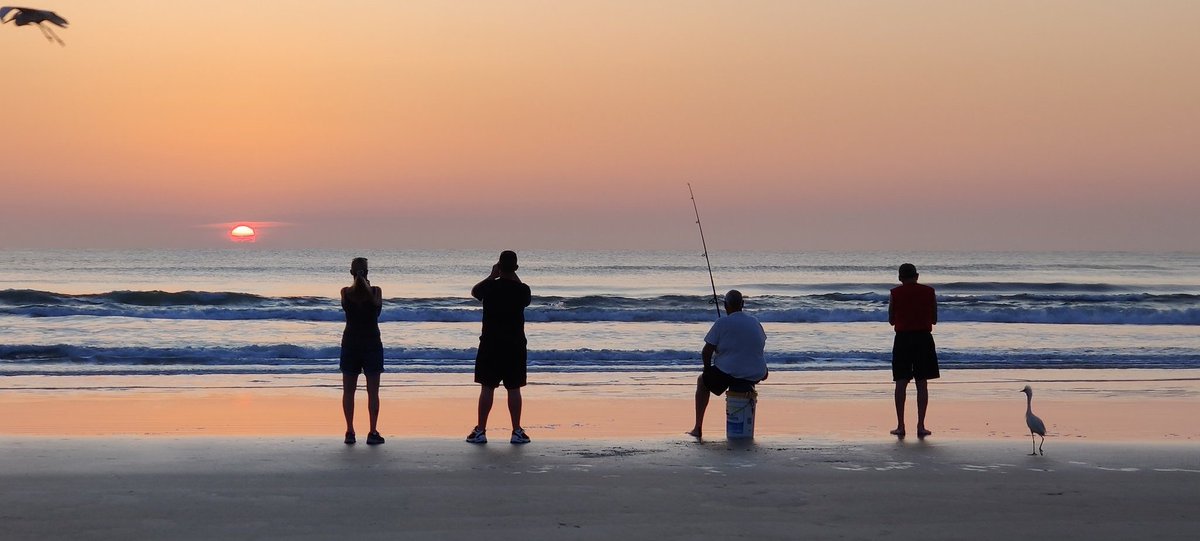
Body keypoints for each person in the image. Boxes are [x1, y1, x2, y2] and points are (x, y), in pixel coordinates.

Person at [466, 250, 533, 444]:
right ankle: (516, 431)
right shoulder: (522, 290)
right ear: (516, 268)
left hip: (490, 344)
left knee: (487, 387)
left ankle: (481, 430)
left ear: (498, 266)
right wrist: (512, 275)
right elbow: (526, 298)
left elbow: (474, 292)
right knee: (514, 388)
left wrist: (491, 275)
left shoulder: (489, 287)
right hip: (515, 345)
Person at [687, 290, 768, 440]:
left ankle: (697, 427)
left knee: (702, 381)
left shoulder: (721, 323)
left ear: (725, 306)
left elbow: (706, 352)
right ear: (742, 304)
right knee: (743, 373)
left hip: (731, 373)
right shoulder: (755, 322)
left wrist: (707, 371)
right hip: (756, 372)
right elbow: (759, 345)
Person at [888, 263, 939, 439]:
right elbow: (934, 319)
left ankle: (901, 426)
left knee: (901, 382)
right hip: (923, 339)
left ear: (900, 278)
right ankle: (921, 426)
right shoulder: (929, 292)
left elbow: (891, 320)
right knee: (922, 383)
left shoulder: (895, 293)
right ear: (917, 276)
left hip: (902, 339)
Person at [339, 257, 385, 445]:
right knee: (372, 391)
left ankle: (350, 431)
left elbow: (346, 309)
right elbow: (377, 312)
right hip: (372, 343)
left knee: (348, 391)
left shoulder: (345, 293)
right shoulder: (376, 292)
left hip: (350, 343)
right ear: (368, 272)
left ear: (351, 272)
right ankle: (372, 431)